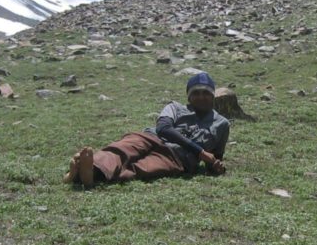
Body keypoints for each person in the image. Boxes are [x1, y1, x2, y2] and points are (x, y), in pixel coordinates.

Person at [64, 72, 230, 187]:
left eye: (206, 93)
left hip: (176, 158)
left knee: (141, 169)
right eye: (196, 93)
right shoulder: (175, 107)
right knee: (122, 149)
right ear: (189, 97)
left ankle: (85, 176)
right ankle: (91, 165)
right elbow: (164, 128)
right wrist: (200, 151)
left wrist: (216, 167)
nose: (201, 96)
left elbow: (215, 158)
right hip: (151, 137)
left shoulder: (221, 124)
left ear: (213, 96)